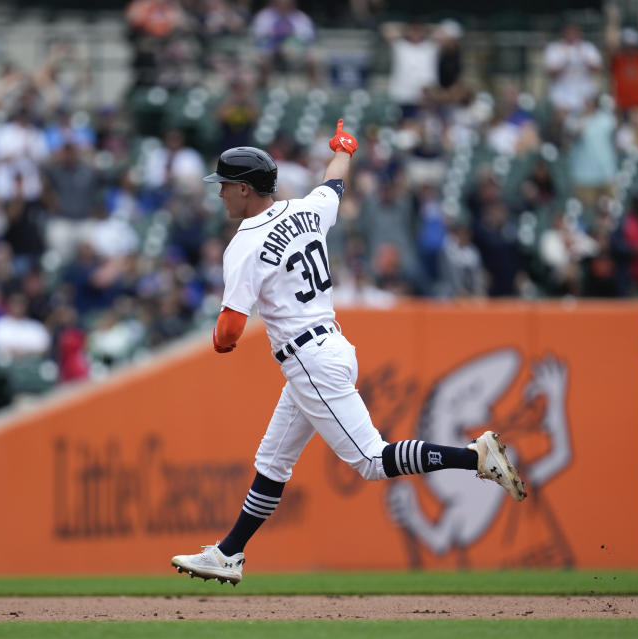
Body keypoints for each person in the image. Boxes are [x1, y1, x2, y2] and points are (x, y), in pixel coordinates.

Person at [170, 121, 527, 585]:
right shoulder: (309, 209)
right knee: (272, 462)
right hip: (327, 346)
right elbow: (335, 179)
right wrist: (344, 148)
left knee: (372, 460)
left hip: (309, 360)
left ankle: (474, 457)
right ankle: (229, 553)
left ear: (243, 189)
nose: (219, 196)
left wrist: (221, 340)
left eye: (223, 187)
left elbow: (230, 330)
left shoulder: (246, 242)